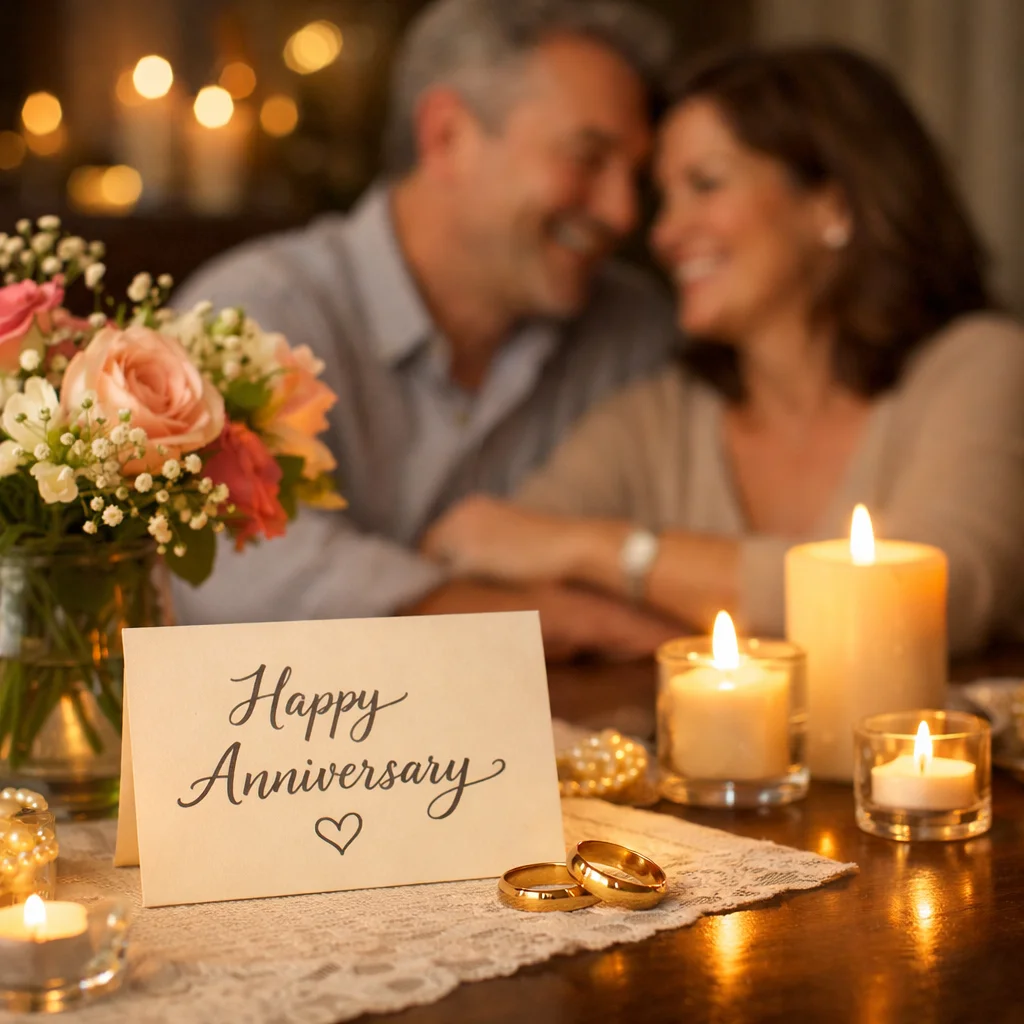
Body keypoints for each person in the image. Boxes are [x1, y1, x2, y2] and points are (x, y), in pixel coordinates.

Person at [421, 44, 1024, 656]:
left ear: (833, 206)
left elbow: (931, 600)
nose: (663, 233)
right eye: (665, 198)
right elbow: (480, 554)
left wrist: (603, 551)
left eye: (705, 185)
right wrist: (627, 620)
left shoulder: (979, 367)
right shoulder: (659, 419)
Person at [171, 0, 685, 657]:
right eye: (588, 158)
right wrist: (555, 619)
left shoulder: (634, 331)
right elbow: (236, 569)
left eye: (636, 176)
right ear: (447, 137)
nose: (623, 212)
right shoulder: (258, 309)